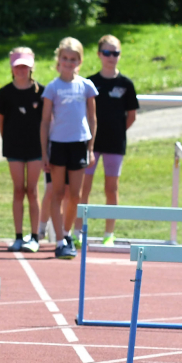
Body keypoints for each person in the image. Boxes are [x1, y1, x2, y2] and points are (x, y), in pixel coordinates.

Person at [72, 35, 139, 248]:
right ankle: (78, 231)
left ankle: (109, 233)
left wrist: (117, 131)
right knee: (84, 189)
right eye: (107, 53)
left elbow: (131, 116)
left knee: (111, 189)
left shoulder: (126, 84)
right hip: (90, 144)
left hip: (115, 145)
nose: (112, 57)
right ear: (100, 55)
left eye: (116, 53)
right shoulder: (90, 83)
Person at [40, 37, 98, 259]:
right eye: (65, 58)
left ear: (79, 61)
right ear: (59, 60)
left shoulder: (86, 86)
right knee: (57, 192)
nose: (68, 62)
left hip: (79, 144)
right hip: (58, 145)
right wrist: (44, 151)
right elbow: (45, 121)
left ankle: (68, 234)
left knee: (75, 195)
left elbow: (92, 118)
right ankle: (59, 240)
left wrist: (91, 148)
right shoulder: (52, 88)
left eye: (73, 59)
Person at [0, 47, 43, 252]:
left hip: (36, 148)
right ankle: (18, 236)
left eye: (25, 66)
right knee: (18, 189)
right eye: (17, 66)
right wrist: (9, 142)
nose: (21, 70)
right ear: (12, 68)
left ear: (31, 68)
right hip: (13, 147)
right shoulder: (5, 93)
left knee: (32, 190)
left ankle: (35, 236)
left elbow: (48, 121)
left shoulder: (42, 91)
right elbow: (2, 122)